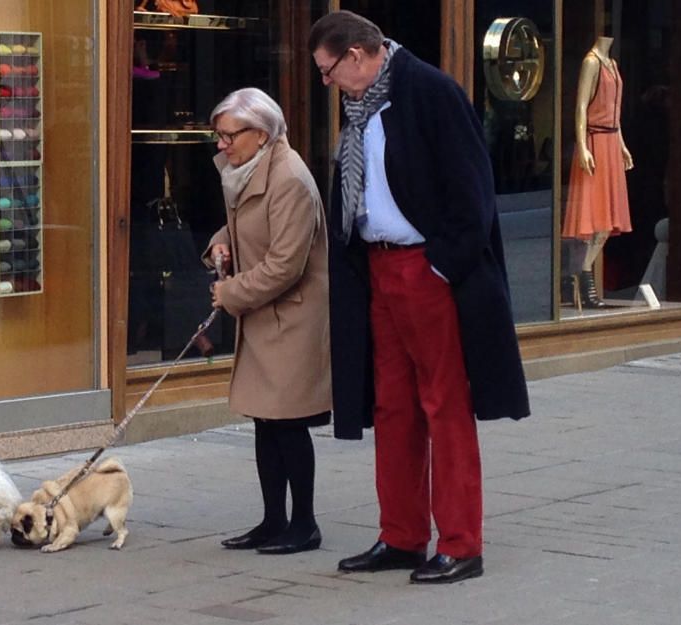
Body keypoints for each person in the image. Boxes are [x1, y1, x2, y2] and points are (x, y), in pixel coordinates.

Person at [309, 11, 530, 584]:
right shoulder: (360, 106)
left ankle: (461, 543)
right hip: (378, 268)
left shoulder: (430, 91)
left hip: (424, 268)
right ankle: (402, 536)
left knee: (443, 403)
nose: (327, 83)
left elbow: (473, 190)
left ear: (357, 55)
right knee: (393, 407)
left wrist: (440, 267)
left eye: (329, 70)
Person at [204, 88, 333, 556]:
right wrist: (220, 242)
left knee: (288, 422)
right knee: (265, 420)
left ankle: (304, 524)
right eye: (218, 136)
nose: (222, 145)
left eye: (229, 135)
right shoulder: (248, 168)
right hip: (266, 313)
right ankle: (273, 520)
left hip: (292, 316)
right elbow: (247, 226)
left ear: (260, 133)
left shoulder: (289, 178)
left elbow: (285, 265)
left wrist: (230, 293)